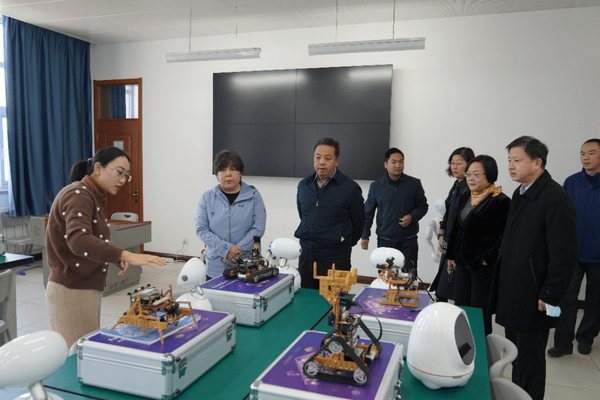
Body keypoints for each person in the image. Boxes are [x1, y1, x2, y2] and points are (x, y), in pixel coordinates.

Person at [46, 146, 167, 349]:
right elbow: (79, 240)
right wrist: (125, 254)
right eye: (119, 172)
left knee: (85, 350)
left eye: (126, 175)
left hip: (85, 288)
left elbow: (92, 239)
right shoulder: (78, 194)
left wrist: (114, 257)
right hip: (71, 290)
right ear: (98, 168)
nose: (122, 180)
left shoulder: (91, 195)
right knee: (76, 355)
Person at [490, 136, 578, 400]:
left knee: (530, 362)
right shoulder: (521, 193)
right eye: (509, 160)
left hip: (535, 296)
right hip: (515, 290)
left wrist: (550, 294)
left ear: (537, 163)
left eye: (517, 160)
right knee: (517, 356)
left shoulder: (555, 199)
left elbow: (564, 255)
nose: (511, 166)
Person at [445, 155, 510, 335]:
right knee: (462, 306)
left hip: (483, 266)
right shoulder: (467, 195)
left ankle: (480, 346)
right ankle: (462, 342)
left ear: (490, 175)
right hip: (463, 262)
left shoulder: (500, 200)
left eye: (476, 174)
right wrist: (451, 255)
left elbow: (505, 237)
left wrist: (487, 258)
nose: (471, 178)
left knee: (479, 310)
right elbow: (457, 227)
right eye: (469, 174)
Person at [548, 138, 600, 357]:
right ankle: (563, 343)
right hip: (573, 253)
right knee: (566, 298)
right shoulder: (571, 182)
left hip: (598, 255)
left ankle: (586, 337)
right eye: (582, 153)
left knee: (594, 300)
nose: (585, 158)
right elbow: (561, 217)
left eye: (591, 153)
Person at [294, 137, 365, 289]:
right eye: (317, 157)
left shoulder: (350, 188)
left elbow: (359, 222)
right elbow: (304, 216)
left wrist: (342, 240)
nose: (321, 162)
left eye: (327, 158)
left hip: (335, 258)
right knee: (307, 300)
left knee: (335, 301)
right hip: (307, 256)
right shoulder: (304, 185)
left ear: (337, 161)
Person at [195, 150, 267, 280]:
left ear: (240, 173)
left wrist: (237, 252)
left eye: (233, 169)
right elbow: (202, 229)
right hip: (216, 267)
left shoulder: (253, 196)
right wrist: (226, 250)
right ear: (217, 175)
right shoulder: (207, 197)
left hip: (247, 266)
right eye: (222, 170)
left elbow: (258, 228)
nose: (228, 174)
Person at [360, 148, 428, 274]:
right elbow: (368, 212)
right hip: (385, 240)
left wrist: (412, 217)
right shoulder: (376, 186)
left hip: (408, 240)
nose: (398, 165)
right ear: (385, 164)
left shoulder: (414, 184)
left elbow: (423, 206)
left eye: (401, 162)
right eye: (394, 162)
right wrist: (365, 235)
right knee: (386, 278)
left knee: (408, 277)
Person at [430, 147, 475, 301]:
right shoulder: (456, 185)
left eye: (459, 163)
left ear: (469, 164)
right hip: (448, 244)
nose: (454, 167)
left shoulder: (470, 188)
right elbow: (447, 214)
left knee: (456, 292)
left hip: (458, 247)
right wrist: (441, 235)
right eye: (452, 163)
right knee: (442, 290)